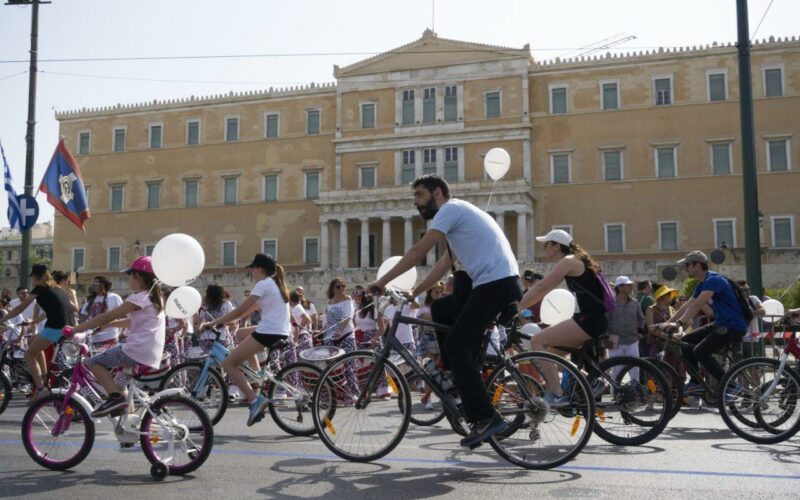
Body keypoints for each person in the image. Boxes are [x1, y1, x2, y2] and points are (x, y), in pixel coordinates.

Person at [369, 174, 521, 448]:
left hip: (495, 285)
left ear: (437, 193)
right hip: (495, 284)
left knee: (457, 346)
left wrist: (381, 281)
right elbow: (442, 265)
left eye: (419, 195)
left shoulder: (451, 209)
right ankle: (459, 377)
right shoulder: (457, 217)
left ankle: (487, 417)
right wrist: (414, 293)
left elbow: (418, 251)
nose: (416, 202)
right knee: (440, 307)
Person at [64, 257, 165, 417]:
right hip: (149, 353)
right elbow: (132, 321)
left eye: (130, 276)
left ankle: (115, 399)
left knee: (93, 362)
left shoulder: (138, 298)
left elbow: (105, 316)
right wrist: (111, 325)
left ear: (137, 277)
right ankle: (128, 424)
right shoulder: (153, 299)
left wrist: (76, 329)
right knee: (119, 385)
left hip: (135, 351)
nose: (129, 280)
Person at [199, 254, 292, 426]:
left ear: (261, 269)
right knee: (240, 334)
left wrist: (214, 322)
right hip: (280, 331)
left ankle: (254, 400)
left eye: (253, 268)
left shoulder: (262, 284)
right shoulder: (275, 284)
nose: (251, 271)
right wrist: (230, 321)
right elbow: (245, 311)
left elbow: (241, 308)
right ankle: (256, 374)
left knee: (228, 364)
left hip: (269, 332)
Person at [517, 229, 608, 404]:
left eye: (546, 245)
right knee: (550, 356)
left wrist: (517, 306)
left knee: (537, 341)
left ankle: (557, 394)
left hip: (588, 320)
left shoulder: (568, 261)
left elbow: (543, 286)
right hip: (592, 319)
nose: (544, 249)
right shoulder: (576, 260)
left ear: (556, 246)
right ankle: (593, 381)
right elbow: (542, 289)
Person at [664, 251, 747, 395]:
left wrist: (678, 324)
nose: (685, 268)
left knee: (700, 351)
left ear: (697, 265)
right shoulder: (702, 282)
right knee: (686, 341)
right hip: (721, 324)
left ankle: (730, 385)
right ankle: (696, 382)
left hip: (732, 326)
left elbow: (697, 305)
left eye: (687, 265)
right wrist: (667, 323)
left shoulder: (713, 280)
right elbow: (687, 305)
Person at [4, 264, 75, 403]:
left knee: (28, 354)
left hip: (56, 327)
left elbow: (21, 307)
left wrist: (4, 318)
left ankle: (41, 389)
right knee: (34, 340)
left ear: (39, 277)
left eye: (34, 278)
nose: (33, 281)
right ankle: (44, 377)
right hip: (67, 326)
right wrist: (34, 322)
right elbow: (56, 309)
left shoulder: (40, 288)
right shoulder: (57, 288)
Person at [605, 276, 644, 379]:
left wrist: (640, 332)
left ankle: (636, 393)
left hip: (632, 340)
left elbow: (641, 318)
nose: (631, 287)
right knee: (616, 371)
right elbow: (605, 320)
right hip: (614, 341)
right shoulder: (611, 303)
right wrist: (605, 338)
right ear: (620, 287)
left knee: (635, 370)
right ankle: (615, 393)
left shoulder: (635, 303)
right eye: (628, 285)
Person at [645, 285, 684, 379]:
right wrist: (664, 336)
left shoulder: (671, 309)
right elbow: (651, 328)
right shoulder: (651, 309)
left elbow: (678, 323)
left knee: (672, 369)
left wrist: (679, 333)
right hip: (656, 342)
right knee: (657, 369)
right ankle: (656, 392)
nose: (671, 297)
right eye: (668, 295)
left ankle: (672, 391)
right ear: (662, 297)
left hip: (671, 343)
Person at [79, 275, 124, 351]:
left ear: (103, 285)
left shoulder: (114, 297)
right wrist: (83, 332)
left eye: (95, 284)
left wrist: (122, 332)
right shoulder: (90, 299)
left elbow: (123, 316)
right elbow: (83, 317)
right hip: (93, 339)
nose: (93, 286)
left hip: (110, 337)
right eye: (92, 284)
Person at [737, 280, 766, 358]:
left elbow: (762, 311)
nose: (748, 291)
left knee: (752, 366)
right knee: (737, 366)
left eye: (748, 289)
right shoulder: (734, 301)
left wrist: (749, 314)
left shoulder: (752, 299)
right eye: (745, 290)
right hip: (737, 337)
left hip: (751, 338)